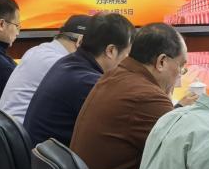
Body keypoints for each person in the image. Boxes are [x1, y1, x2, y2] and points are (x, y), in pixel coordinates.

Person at [70, 23, 187, 169]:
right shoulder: (147, 97)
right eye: (181, 66)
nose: (180, 74)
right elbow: (190, 157)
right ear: (162, 62)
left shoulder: (116, 75)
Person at [24, 13, 133, 147]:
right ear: (111, 51)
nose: (127, 62)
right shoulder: (89, 83)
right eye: (127, 55)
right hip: (54, 157)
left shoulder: (67, 63)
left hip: (40, 155)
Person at [0, 13, 92, 122]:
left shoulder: (36, 50)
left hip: (8, 125)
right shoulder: (62, 64)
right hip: (22, 129)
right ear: (80, 41)